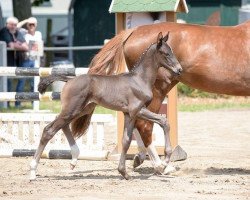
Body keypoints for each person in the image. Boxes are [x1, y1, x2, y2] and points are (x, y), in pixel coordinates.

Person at [0, 16, 28, 108]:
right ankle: (4, 105)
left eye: (15, 25)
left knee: (8, 83)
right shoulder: (4, 31)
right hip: (2, 62)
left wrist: (17, 45)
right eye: (11, 24)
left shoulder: (17, 32)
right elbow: (11, 46)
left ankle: (7, 104)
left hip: (10, 62)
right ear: (7, 24)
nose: (13, 26)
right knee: (5, 83)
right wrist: (19, 45)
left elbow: (26, 47)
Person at [16, 17, 42, 107]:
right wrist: (26, 20)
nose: (31, 26)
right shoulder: (24, 33)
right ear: (27, 25)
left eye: (33, 24)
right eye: (29, 24)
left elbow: (39, 46)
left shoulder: (38, 34)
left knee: (34, 83)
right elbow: (16, 27)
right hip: (26, 59)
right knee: (21, 81)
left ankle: (34, 103)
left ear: (36, 25)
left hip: (35, 60)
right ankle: (17, 103)